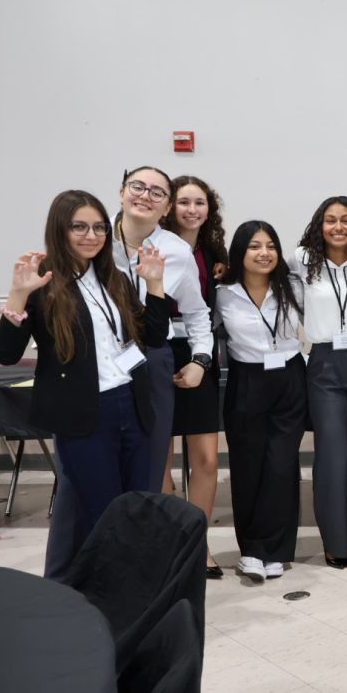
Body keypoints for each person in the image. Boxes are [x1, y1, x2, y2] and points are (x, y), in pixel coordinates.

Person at [0, 190, 168, 575]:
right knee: (99, 511)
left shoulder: (115, 279)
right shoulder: (43, 282)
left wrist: (154, 285)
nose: (92, 235)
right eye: (79, 227)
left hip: (131, 405)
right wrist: (18, 295)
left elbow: (153, 336)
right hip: (85, 415)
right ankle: (96, 595)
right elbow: (4, 352)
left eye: (99, 227)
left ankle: (129, 588)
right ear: (60, 229)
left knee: (136, 503)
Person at [291, 196, 347, 571]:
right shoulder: (301, 259)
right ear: (319, 224)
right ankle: (334, 537)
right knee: (331, 454)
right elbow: (287, 301)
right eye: (331, 220)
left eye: (346, 220)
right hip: (324, 360)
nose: (339, 227)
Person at [215, 221, 307, 582]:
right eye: (254, 246)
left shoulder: (293, 286)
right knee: (248, 466)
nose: (264, 252)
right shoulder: (222, 293)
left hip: (289, 378)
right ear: (240, 252)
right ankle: (251, 550)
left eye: (270, 245)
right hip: (246, 380)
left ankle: (277, 550)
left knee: (281, 465)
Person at [113, 166, 214, 490]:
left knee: (153, 459)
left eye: (156, 192)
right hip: (103, 361)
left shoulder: (176, 251)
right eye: (137, 187)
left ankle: (157, 539)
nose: (145, 196)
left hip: (154, 358)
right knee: (106, 458)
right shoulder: (94, 241)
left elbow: (197, 312)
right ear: (122, 192)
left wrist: (201, 359)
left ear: (166, 206)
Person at [159, 175, 228, 579]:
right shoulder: (152, 244)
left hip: (201, 353)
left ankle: (198, 545)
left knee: (204, 457)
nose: (191, 210)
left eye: (199, 202)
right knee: (160, 461)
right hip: (157, 351)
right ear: (169, 206)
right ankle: (171, 544)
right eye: (183, 202)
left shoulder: (214, 253)